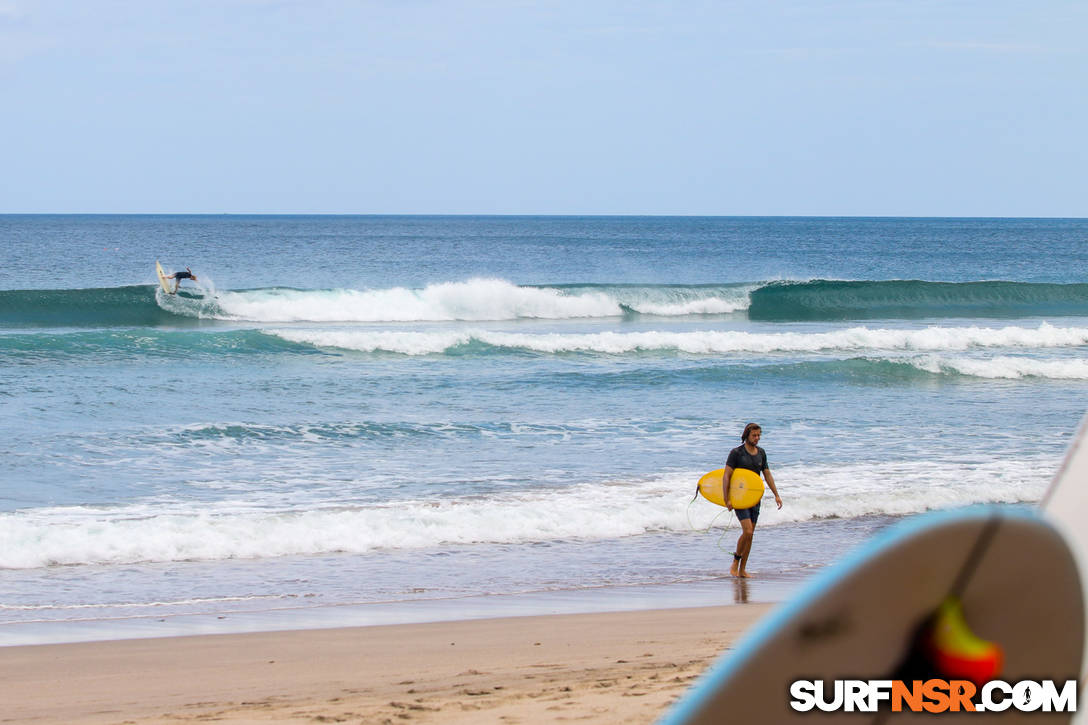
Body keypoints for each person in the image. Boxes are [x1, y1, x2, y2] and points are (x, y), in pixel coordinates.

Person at [724, 422, 782, 578]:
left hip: (755, 498)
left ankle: (742, 569)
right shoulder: (736, 453)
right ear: (747, 435)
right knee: (747, 531)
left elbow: (767, 475)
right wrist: (726, 498)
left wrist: (776, 494)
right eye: (754, 435)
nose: (757, 438)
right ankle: (736, 560)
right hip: (740, 498)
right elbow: (726, 475)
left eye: (759, 435)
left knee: (750, 535)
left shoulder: (761, 453)